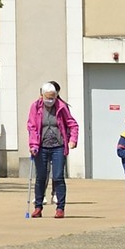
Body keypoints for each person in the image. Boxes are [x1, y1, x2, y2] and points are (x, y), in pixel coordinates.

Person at [26, 80, 78, 218]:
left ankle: (60, 208)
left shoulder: (62, 107)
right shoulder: (35, 107)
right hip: (41, 146)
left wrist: (73, 140)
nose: (50, 100)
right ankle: (38, 207)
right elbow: (32, 127)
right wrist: (33, 144)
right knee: (41, 177)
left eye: (53, 97)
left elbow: (72, 124)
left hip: (58, 146)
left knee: (58, 177)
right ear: (42, 95)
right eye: (48, 97)